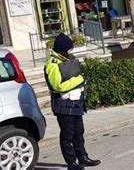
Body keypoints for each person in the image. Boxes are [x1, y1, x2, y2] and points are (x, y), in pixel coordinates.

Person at [45, 33, 101, 170]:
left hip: (75, 102)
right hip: (63, 104)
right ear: (61, 50)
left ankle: (82, 158)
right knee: (67, 135)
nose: (70, 52)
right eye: (68, 50)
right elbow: (58, 86)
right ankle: (72, 163)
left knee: (79, 132)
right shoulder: (52, 65)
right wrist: (79, 80)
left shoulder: (68, 59)